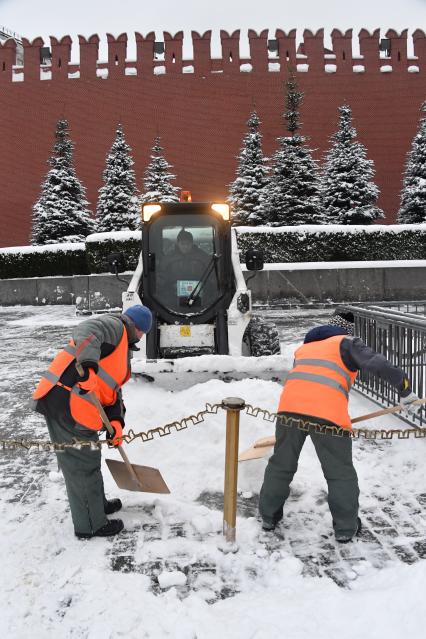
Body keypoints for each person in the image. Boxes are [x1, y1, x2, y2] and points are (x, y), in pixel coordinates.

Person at [259, 308, 421, 543]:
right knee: (339, 473)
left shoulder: (304, 348)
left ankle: (268, 516)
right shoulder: (347, 342)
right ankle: (345, 528)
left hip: (288, 410)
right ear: (344, 331)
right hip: (327, 414)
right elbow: (379, 364)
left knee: (281, 465)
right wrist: (405, 389)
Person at [32, 304, 152, 539]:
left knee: (89, 460)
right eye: (143, 333)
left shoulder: (120, 347)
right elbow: (88, 329)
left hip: (79, 408)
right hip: (64, 404)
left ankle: (97, 506)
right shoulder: (115, 326)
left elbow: (113, 390)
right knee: (81, 465)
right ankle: (90, 524)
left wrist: (117, 422)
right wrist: (88, 368)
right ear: (139, 329)